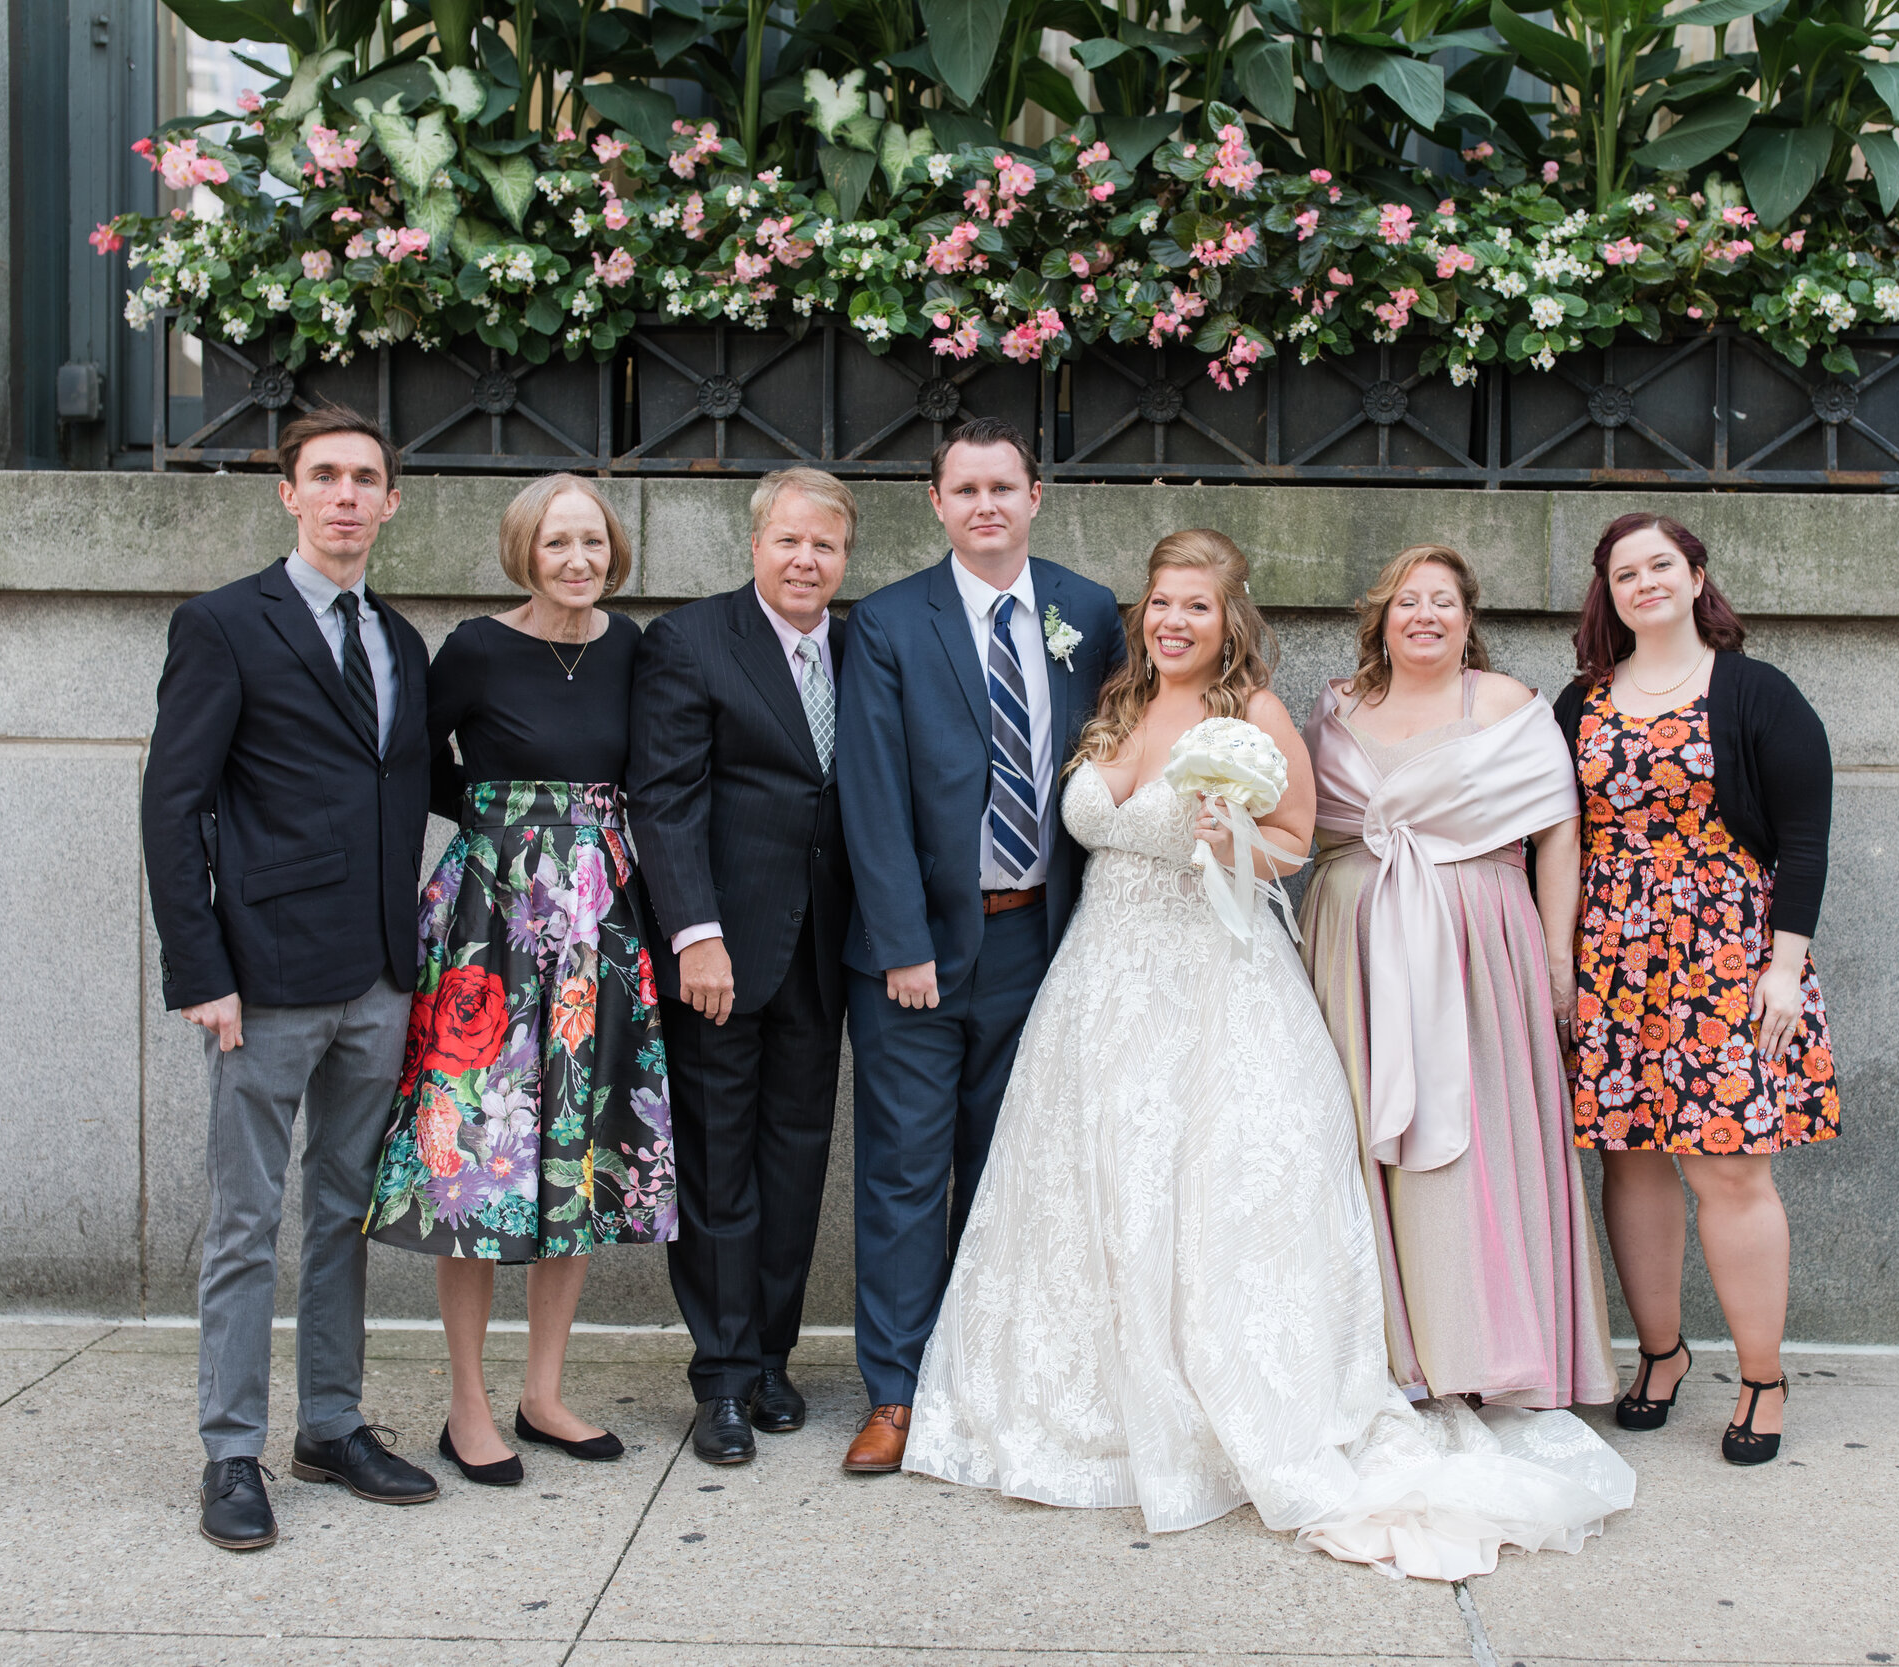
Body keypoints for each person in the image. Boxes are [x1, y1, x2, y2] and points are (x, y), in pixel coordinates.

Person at [904, 530, 1634, 1582]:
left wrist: (1223, 835)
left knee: (1217, 1193)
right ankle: (1089, 1398)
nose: (1174, 622)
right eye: (1161, 603)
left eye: (1196, 606)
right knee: (1095, 1188)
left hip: (1217, 982)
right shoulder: (1110, 704)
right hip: (1100, 984)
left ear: (1228, 619)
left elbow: (1296, 845)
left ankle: (1226, 1404)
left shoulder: (1254, 716)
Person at [141, 405, 441, 1551]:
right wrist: (198, 967)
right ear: (289, 494)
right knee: (244, 1219)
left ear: (392, 500)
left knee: (343, 1211)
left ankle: (330, 1421)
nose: (347, 496)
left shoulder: (399, 640)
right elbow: (173, 805)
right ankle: (230, 1448)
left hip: (378, 978)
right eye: (326, 477)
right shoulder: (222, 625)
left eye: (367, 477)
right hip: (259, 981)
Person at [362, 475, 670, 1487]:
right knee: (479, 1165)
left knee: (570, 1157)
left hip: (597, 927)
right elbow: (410, 758)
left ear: (612, 550)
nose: (575, 559)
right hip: (492, 924)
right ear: (523, 550)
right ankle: (467, 1403)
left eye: (591, 541)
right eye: (556, 542)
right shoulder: (477, 650)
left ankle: (543, 1391)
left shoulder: (633, 648)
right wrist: (501, 818)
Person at [834, 417, 1124, 1473]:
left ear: (1036, 496)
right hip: (914, 955)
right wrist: (903, 941)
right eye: (966, 489)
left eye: (1004, 486)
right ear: (938, 503)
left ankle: (989, 1377)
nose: (986, 504)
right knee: (905, 1173)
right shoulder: (886, 621)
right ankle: (898, 1391)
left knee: (1013, 1170)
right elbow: (867, 794)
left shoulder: (1087, 613)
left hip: (1040, 940)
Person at [1299, 546, 1618, 1412]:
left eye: (1443, 600)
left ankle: (1482, 1347)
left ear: (1468, 618)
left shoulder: (1507, 704)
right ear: (1382, 617)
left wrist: (1559, 959)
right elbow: (1306, 826)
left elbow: (1559, 830)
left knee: (1471, 1129)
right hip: (1354, 941)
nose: (1425, 615)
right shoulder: (1335, 708)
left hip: (1479, 944)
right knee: (1364, 1128)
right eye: (1408, 600)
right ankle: (1388, 1353)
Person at [1552, 511, 1838, 1468]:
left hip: (1728, 955)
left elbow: (1803, 835)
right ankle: (1662, 1353)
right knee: (1629, 1156)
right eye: (1625, 572)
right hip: (1613, 959)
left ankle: (1763, 1374)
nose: (1644, 583)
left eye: (1660, 564)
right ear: (1609, 593)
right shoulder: (1578, 703)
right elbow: (1555, 836)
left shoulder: (1755, 691)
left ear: (1696, 573)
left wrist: (1786, 968)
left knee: (1728, 1165)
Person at [627, 468, 857, 1466]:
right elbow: (664, 799)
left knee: (795, 1160)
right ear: (755, 543)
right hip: (721, 952)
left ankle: (770, 1355)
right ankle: (718, 1375)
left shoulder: (859, 645)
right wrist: (694, 933)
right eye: (789, 541)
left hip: (823, 948)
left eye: (825, 546)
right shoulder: (691, 640)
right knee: (719, 1164)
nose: (806, 560)